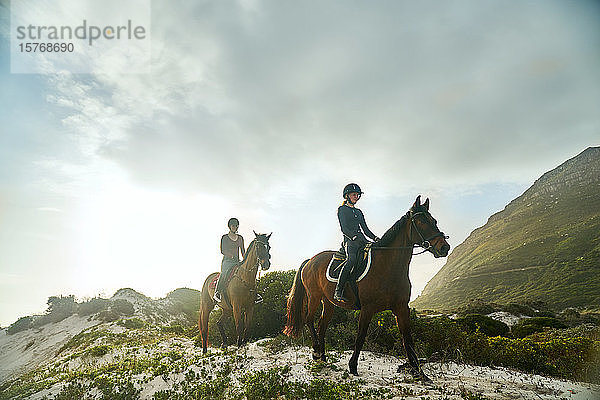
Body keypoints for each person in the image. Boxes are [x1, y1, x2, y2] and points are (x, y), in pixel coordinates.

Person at [334, 183, 379, 303]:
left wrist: (375, 238)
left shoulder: (359, 212)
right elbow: (344, 228)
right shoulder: (342, 210)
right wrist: (353, 237)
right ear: (347, 196)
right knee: (351, 260)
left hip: (362, 240)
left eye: (358, 195)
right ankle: (338, 290)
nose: (356, 197)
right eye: (354, 194)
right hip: (350, 241)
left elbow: (365, 229)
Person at [214, 217, 246, 303]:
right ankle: (217, 292)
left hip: (237, 261)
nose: (235, 227)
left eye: (236, 226)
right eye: (233, 226)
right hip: (227, 261)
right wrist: (231, 256)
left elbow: (243, 251)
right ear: (229, 226)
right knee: (224, 274)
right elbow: (222, 250)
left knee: (247, 272)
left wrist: (245, 259)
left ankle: (254, 294)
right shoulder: (225, 237)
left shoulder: (240, 238)